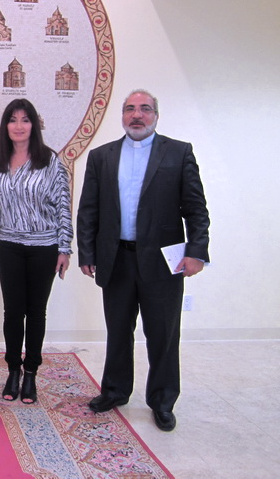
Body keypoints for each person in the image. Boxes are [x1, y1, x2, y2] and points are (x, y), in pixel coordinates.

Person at [77, 89, 210, 432]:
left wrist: (196, 251)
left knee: (162, 334)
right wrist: (88, 253)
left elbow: (196, 209)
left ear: (156, 115)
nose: (137, 115)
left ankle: (162, 400)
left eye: (145, 109)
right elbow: (89, 210)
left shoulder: (178, 153)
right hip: (116, 258)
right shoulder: (102, 156)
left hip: (164, 264)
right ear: (122, 116)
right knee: (118, 331)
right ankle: (115, 391)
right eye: (130, 109)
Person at [0, 99, 73, 404]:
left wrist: (64, 248)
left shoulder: (49, 161)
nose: (18, 126)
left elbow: (63, 206)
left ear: (34, 125)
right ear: (5, 126)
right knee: (12, 312)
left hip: (44, 247)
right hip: (9, 246)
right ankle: (13, 370)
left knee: (35, 311)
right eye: (12, 120)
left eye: (25, 120)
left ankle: (31, 374)